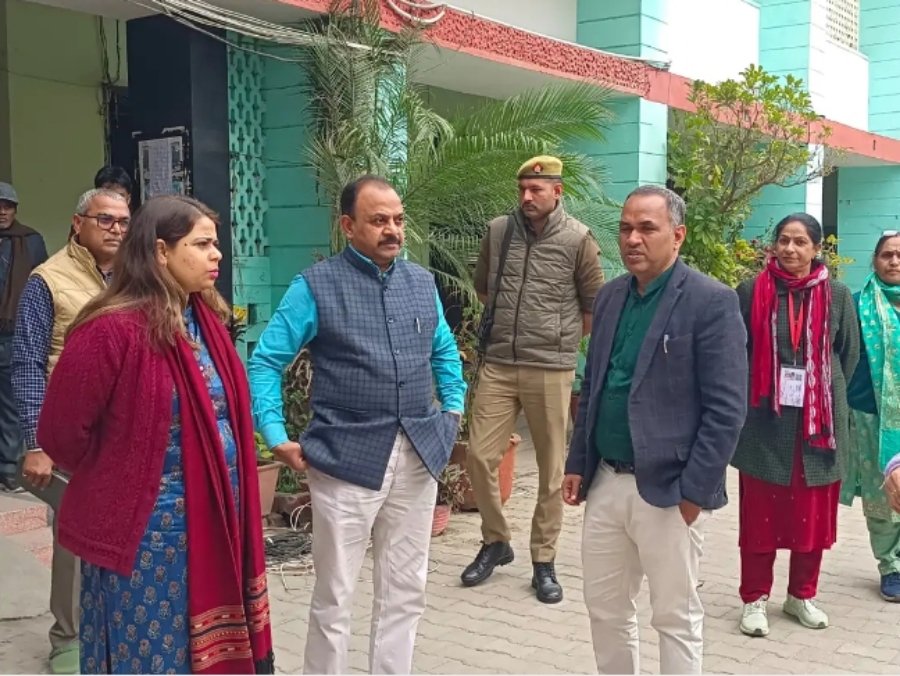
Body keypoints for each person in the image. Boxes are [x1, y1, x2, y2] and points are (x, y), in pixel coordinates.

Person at [36, 195, 274, 675]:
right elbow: (61, 435)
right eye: (201, 244)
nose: (216, 254)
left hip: (215, 521)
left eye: (215, 243)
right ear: (161, 252)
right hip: (145, 538)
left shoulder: (205, 321)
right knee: (152, 657)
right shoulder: (109, 330)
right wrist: (119, 467)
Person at [248, 175, 464, 674]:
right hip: (345, 459)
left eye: (398, 219)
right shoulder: (315, 286)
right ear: (348, 226)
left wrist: (452, 410)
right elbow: (266, 361)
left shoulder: (421, 283)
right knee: (335, 593)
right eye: (378, 220)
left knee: (405, 588)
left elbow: (444, 350)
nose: (393, 230)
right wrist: (275, 435)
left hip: (418, 451)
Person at [564, 185, 747, 674]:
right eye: (626, 228)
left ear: (678, 235)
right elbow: (594, 384)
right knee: (605, 610)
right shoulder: (609, 297)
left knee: (675, 617)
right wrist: (578, 462)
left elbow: (727, 409)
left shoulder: (711, 301)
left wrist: (695, 492)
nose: (632, 239)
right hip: (605, 481)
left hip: (670, 490)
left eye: (647, 228)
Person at [462, 155, 604, 603]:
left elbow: (593, 306)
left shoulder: (579, 239)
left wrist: (558, 339)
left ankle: (544, 559)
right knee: (479, 456)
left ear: (557, 192)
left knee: (550, 470)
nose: (527, 196)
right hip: (500, 362)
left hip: (550, 367)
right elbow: (484, 288)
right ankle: (496, 541)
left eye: (536, 189)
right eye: (522, 189)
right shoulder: (498, 231)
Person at [12, 188, 129, 674]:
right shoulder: (48, 280)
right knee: (73, 536)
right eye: (105, 220)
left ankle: (117, 628)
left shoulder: (136, 275)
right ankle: (68, 638)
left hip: (125, 429)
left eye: (124, 221)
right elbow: (27, 363)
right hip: (70, 434)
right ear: (78, 223)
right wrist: (36, 442)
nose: (116, 229)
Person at [732, 213, 859, 637]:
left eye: (800, 242)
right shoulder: (752, 290)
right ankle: (754, 598)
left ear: (817, 249)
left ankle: (801, 595)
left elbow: (848, 355)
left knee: (812, 516)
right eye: (783, 240)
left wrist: (820, 393)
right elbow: (737, 350)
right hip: (765, 421)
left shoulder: (837, 294)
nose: (790, 249)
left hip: (819, 426)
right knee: (760, 516)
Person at [841, 231, 900, 602]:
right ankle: (890, 565)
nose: (894, 261)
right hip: (870, 414)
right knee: (883, 491)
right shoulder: (857, 304)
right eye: (886, 255)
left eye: (899, 255)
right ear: (874, 261)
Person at [0, 181, 47, 491]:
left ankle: (7, 469)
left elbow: (42, 283)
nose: (2, 212)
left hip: (14, 333)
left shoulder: (30, 241)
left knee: (11, 406)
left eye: (8, 206)